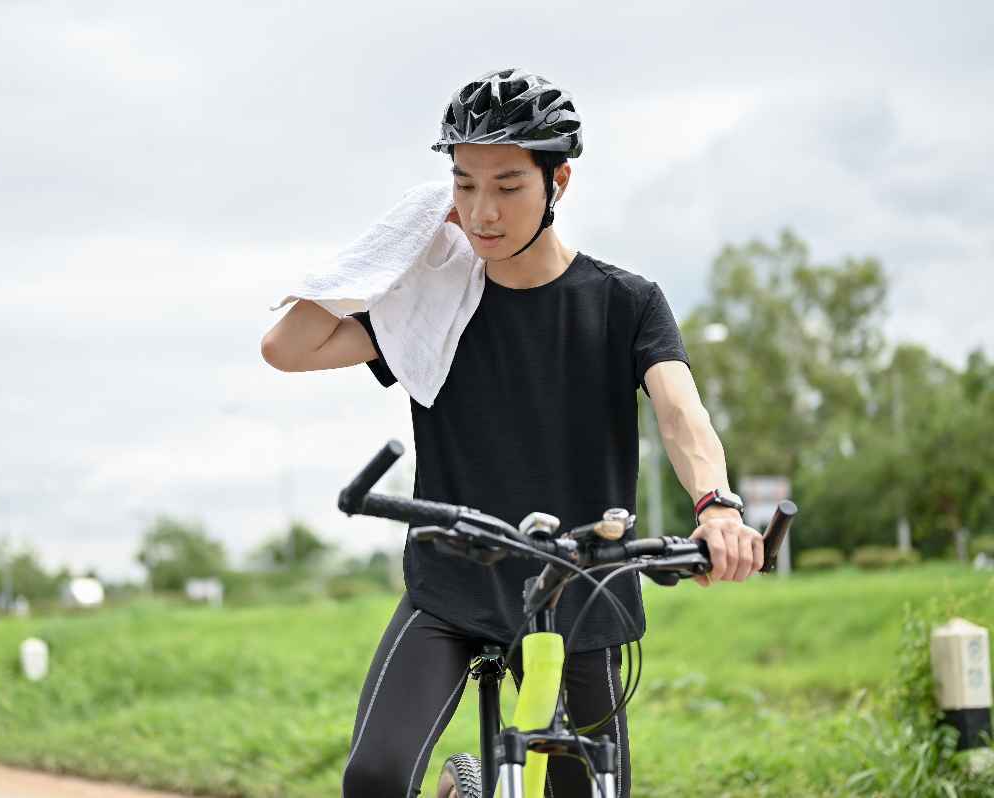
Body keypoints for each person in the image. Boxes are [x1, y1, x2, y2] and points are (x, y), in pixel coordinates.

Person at [260, 67, 763, 798]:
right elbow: (288, 346)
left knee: (587, 791)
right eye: (463, 185)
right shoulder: (431, 301)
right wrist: (393, 246)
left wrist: (716, 505)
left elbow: (682, 415)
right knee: (373, 778)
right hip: (454, 580)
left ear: (559, 183)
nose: (481, 211)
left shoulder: (625, 302)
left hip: (582, 588)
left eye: (506, 185)